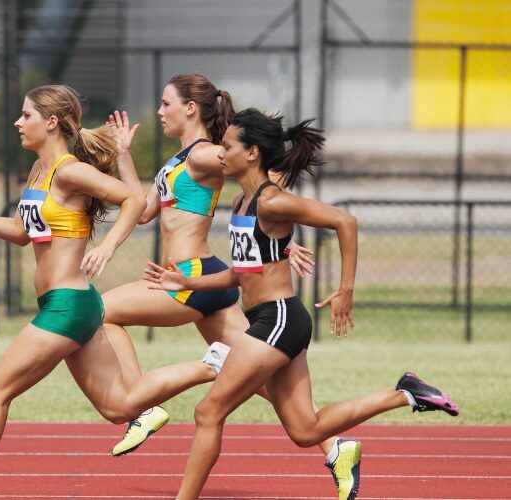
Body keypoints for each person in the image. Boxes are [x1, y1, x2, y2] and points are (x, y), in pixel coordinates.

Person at [0, 84, 230, 500]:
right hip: (69, 305)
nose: (18, 122)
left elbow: (130, 199)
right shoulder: (39, 172)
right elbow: (20, 232)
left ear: (50, 123)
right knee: (119, 408)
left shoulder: (70, 170)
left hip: (68, 305)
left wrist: (106, 246)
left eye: (26, 115)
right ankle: (212, 364)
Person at [144, 108, 460, 500]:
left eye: (227, 146)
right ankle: (407, 393)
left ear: (253, 152)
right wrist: (188, 281)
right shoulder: (242, 203)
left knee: (208, 412)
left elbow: (345, 222)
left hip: (277, 319)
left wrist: (345, 290)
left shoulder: (272, 202)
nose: (220, 153)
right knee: (305, 431)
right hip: (271, 319)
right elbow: (243, 274)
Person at [102, 74, 362, 497]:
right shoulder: (181, 157)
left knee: (102, 311)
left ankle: (144, 407)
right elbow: (145, 210)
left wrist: (282, 240)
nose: (159, 111)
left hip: (193, 275)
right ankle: (336, 448)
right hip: (208, 277)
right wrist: (124, 156)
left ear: (190, 108)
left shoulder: (205, 154)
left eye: (166, 103)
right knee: (256, 379)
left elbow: (263, 176)